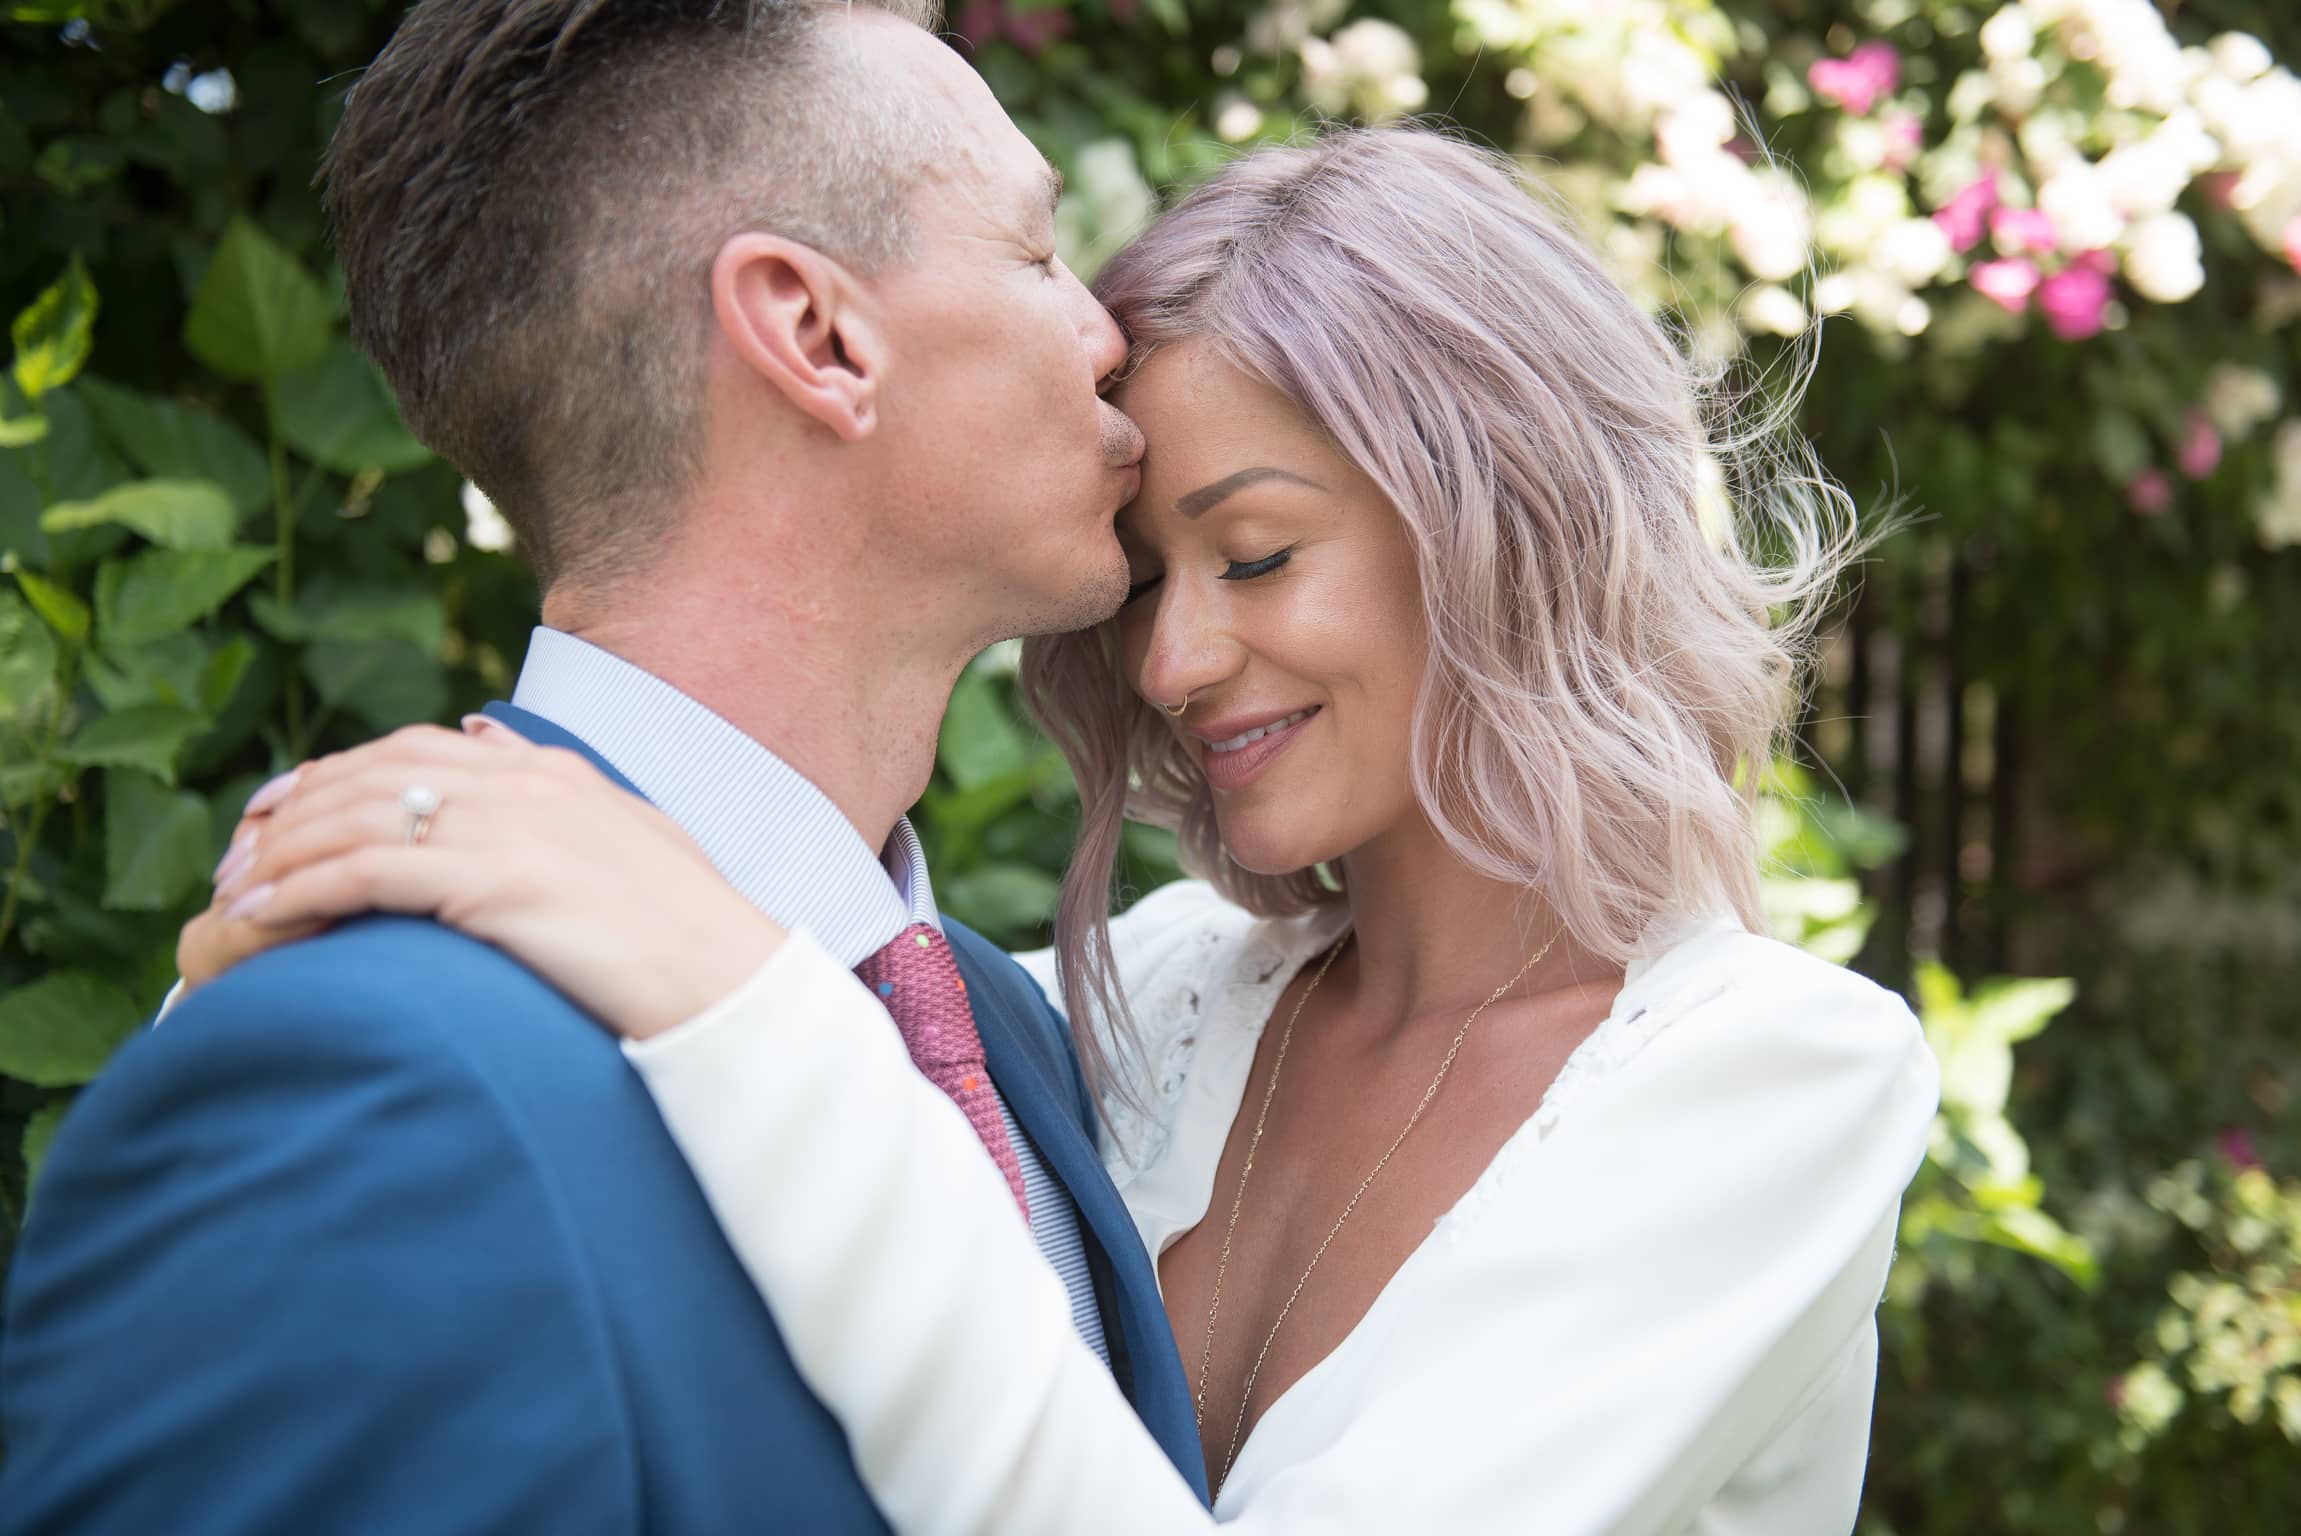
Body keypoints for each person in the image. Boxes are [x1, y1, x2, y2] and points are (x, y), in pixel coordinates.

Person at [172, 128, 1942, 1534]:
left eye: (1254, 554)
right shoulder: (1158, 1001)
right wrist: (315, 947)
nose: (1170, 660)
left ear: (1503, 525)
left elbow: (766, 1047)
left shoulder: (1771, 1083)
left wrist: (728, 983)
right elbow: (682, 1083)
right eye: (1150, 578)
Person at [0, 3, 1206, 1530]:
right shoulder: (358, 1075)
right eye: (1037, 258)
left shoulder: (1002, 1035)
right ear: (818, 335)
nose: (1108, 335)